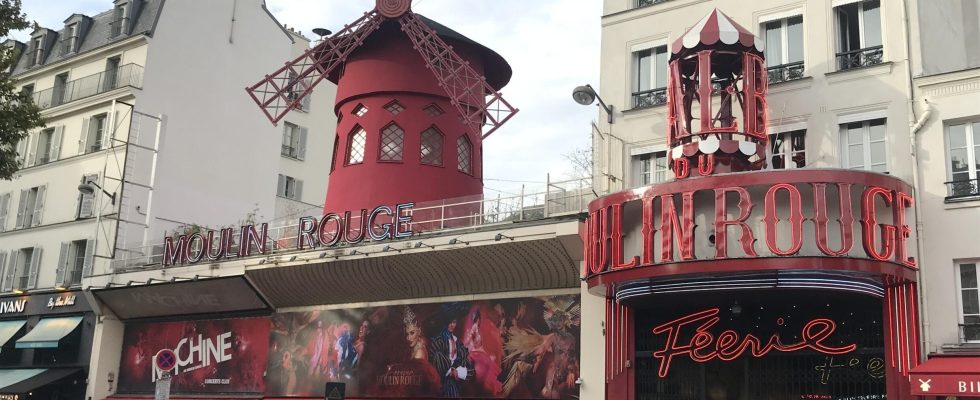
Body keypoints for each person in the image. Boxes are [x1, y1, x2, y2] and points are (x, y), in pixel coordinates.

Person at [429, 317, 472, 397]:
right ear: (445, 322)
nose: (452, 325)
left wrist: (458, 372)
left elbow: (465, 362)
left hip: (457, 379)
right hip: (442, 380)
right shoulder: (438, 341)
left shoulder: (458, 342)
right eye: (450, 322)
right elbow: (433, 360)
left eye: (454, 322)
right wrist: (450, 371)